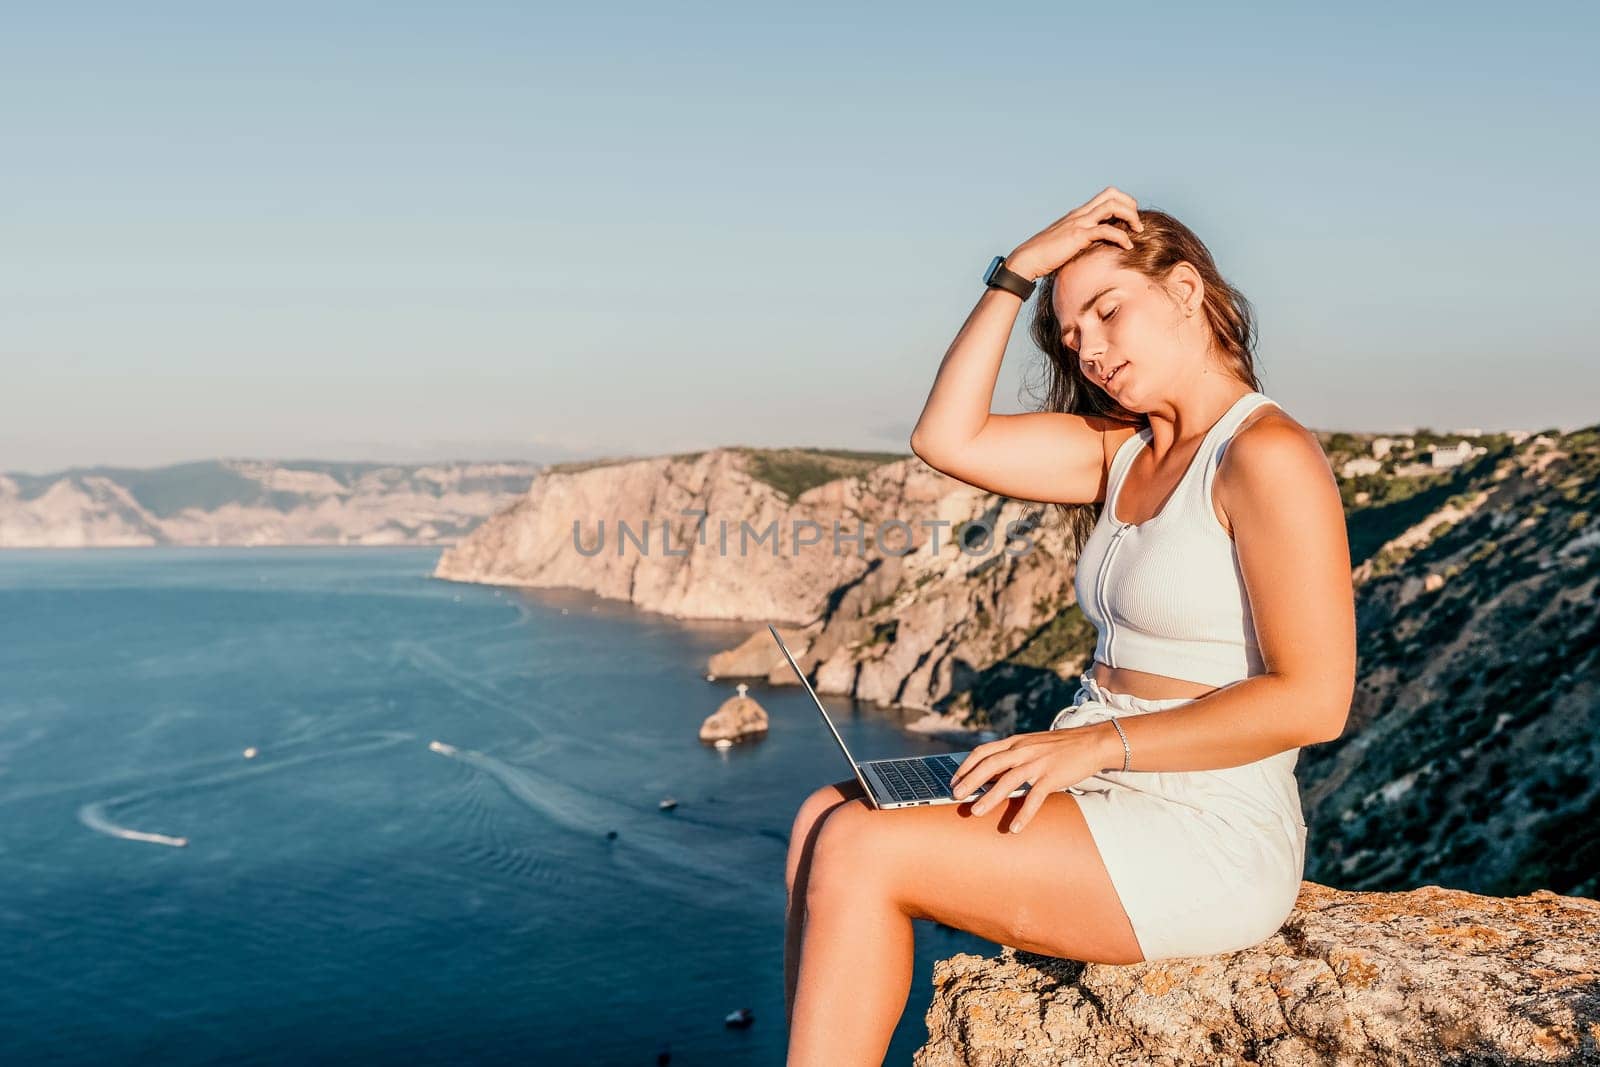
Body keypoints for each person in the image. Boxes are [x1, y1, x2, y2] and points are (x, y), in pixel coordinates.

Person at [782, 186, 1357, 1066]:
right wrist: (1017, 272)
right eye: (1071, 333)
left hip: (1206, 820)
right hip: (1100, 776)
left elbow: (1316, 702)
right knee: (823, 813)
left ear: (1186, 293)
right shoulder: (1119, 450)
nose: (1087, 347)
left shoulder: (1264, 454)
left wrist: (1094, 748)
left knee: (861, 848)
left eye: (1107, 310)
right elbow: (946, 436)